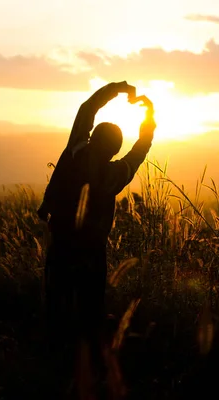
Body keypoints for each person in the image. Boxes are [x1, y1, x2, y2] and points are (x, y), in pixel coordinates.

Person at [37, 81, 156, 392]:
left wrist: (117, 88)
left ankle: (52, 367)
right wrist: (149, 119)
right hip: (92, 253)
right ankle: (90, 374)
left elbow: (87, 109)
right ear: (114, 149)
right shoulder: (114, 175)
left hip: (61, 243)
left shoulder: (75, 150)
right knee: (90, 313)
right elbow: (140, 150)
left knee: (56, 305)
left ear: (93, 138)